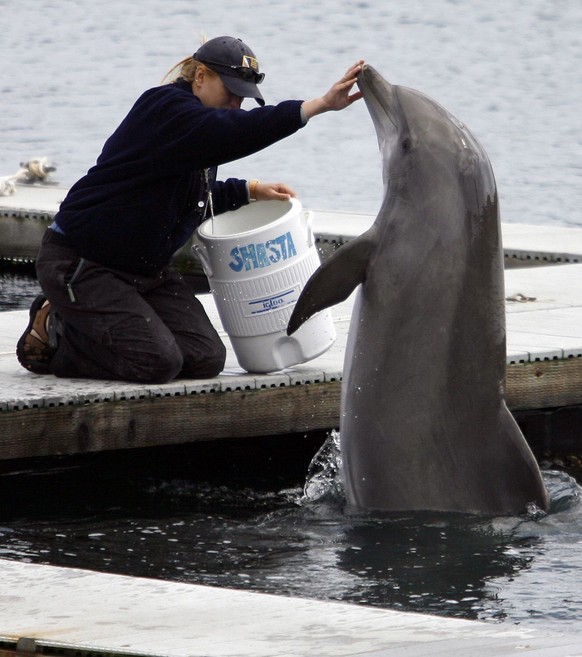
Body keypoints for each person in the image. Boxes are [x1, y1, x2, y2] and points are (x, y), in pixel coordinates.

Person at [16, 36, 364, 384]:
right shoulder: (166, 109)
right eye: (230, 92)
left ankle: (93, 321)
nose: (236, 103)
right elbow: (232, 133)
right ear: (200, 76)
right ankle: (56, 328)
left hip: (144, 271)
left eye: (242, 96)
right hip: (83, 264)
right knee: (157, 363)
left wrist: (249, 190)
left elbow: (190, 193)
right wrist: (315, 106)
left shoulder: (197, 127)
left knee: (205, 358)